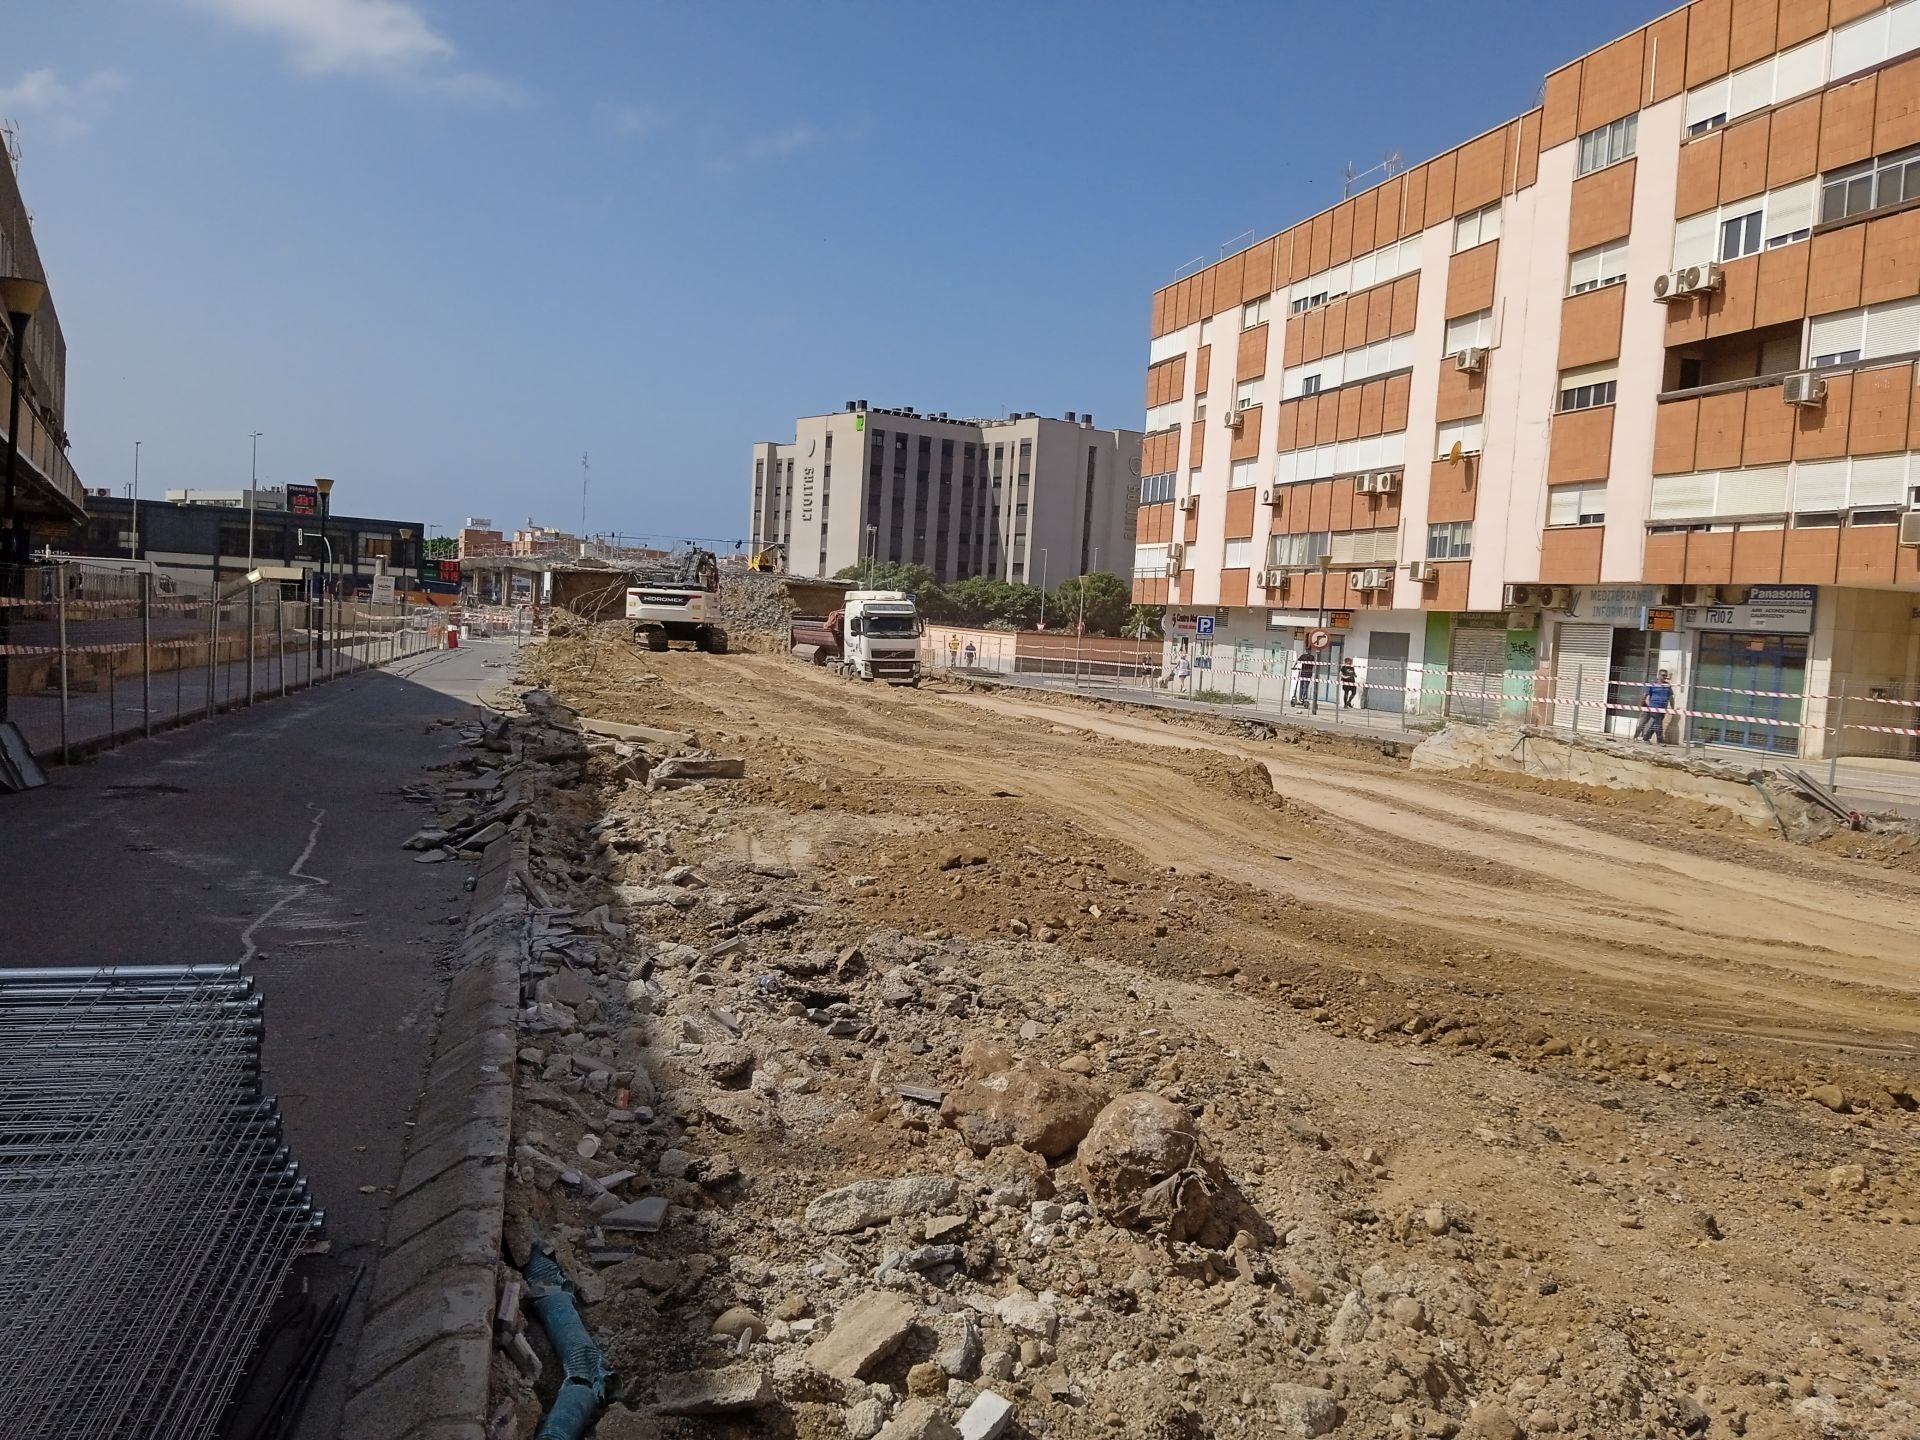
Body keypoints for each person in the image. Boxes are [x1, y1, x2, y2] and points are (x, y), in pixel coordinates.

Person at [1637, 668, 1674, 743]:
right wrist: (1641, 704)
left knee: (1656, 723)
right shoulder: (1652, 684)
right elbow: (1645, 694)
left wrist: (1672, 707)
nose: (1665, 677)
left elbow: (1671, 697)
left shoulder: (1667, 685)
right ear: (1659, 675)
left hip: (1663, 707)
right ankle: (1660, 740)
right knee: (1658, 723)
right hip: (1654, 707)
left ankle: (1646, 737)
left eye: (1666, 676)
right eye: (1663, 675)